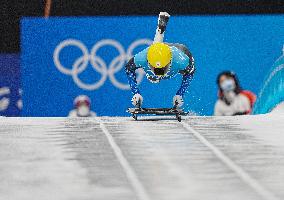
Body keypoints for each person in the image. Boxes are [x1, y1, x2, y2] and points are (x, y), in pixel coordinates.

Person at [125, 12, 195, 108]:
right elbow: (128, 69)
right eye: (156, 69)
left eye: (162, 69)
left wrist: (180, 94)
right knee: (156, 49)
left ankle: (160, 29)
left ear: (170, 63)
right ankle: (160, 29)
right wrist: (136, 93)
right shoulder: (142, 58)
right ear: (149, 63)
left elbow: (190, 73)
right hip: (158, 52)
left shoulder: (182, 61)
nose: (159, 72)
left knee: (157, 49)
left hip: (179, 50)